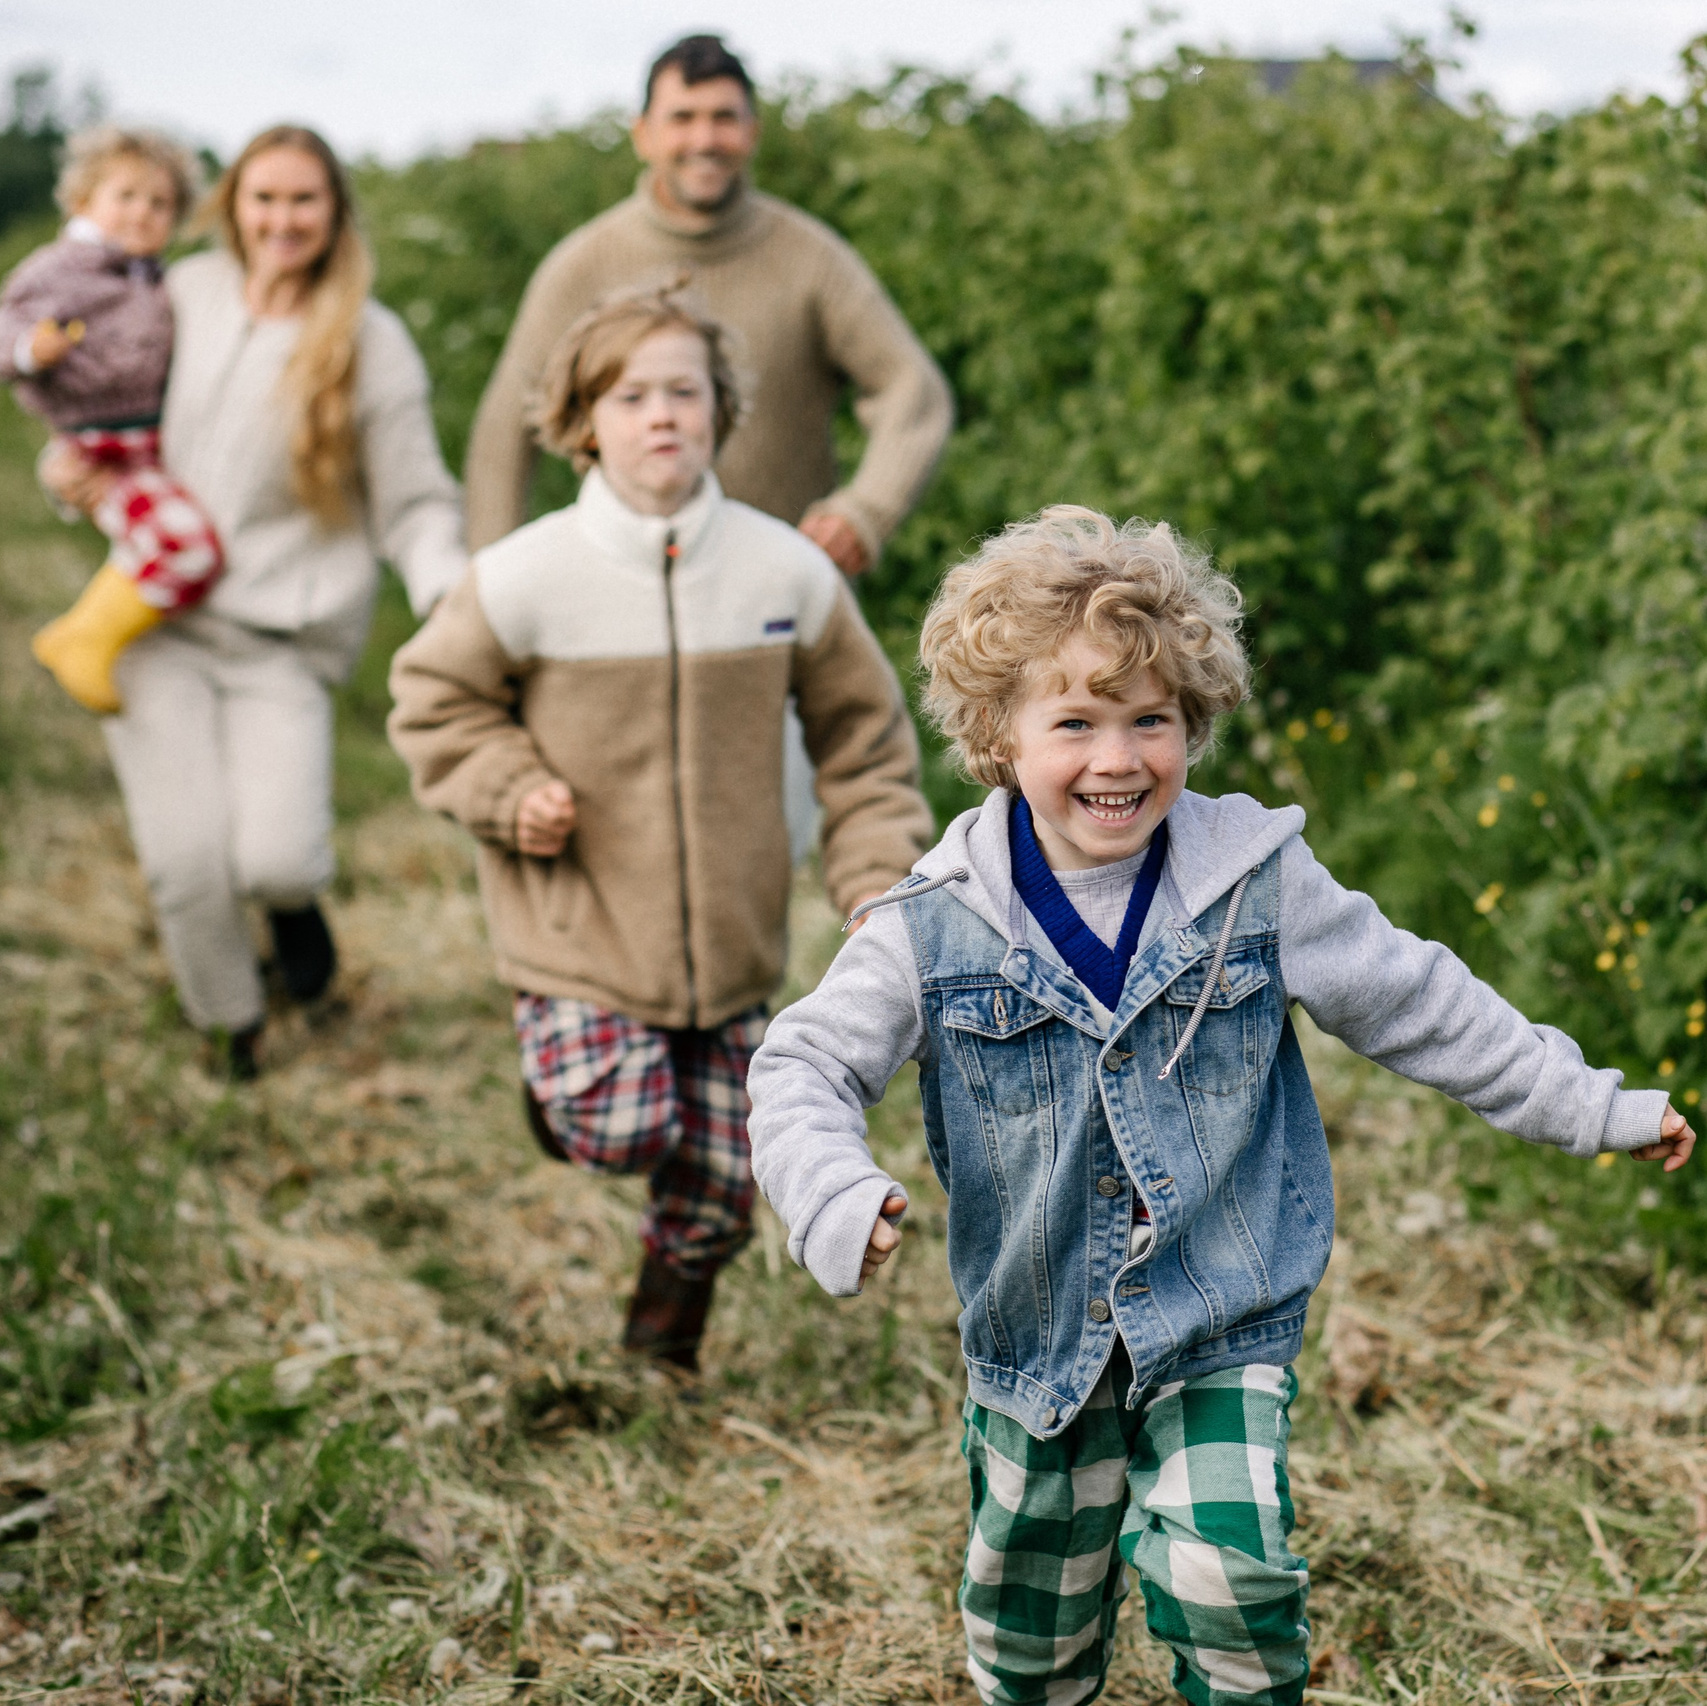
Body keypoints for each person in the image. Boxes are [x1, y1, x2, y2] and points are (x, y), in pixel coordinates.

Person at [747, 506, 1697, 1706]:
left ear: (1193, 720)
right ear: (997, 734)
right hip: (1036, 1333)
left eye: (1151, 719)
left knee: (1229, 1575)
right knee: (1033, 1628)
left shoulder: (1254, 882)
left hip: (1219, 1312)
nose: (1118, 757)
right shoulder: (935, 921)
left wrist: (1593, 1104)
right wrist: (832, 1189)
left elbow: (1423, 1001)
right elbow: (802, 1065)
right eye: (1075, 722)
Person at [388, 284, 933, 1373]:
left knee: (727, 1180)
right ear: (583, 421)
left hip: (732, 945)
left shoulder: (785, 571)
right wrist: (509, 788)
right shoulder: (525, 574)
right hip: (579, 930)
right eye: (631, 396)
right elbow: (432, 702)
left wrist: (876, 876)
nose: (662, 415)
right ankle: (561, 1102)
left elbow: (863, 738)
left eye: (684, 391)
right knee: (624, 1125)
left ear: (721, 410)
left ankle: (659, 1352)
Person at [45, 125, 466, 1080]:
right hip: (153, 622)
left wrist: (447, 587)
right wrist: (65, 473)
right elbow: (94, 408)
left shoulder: (370, 341)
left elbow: (414, 500)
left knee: (277, 858)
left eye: (303, 199)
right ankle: (232, 1027)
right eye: (262, 197)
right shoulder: (179, 293)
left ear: (335, 212)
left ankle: (290, 908)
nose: (281, 218)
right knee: (186, 862)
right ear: (233, 204)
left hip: (283, 637)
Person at [465, 33, 953, 574]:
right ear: (643, 134)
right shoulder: (582, 267)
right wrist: (493, 585)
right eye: (682, 118)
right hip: (624, 586)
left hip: (782, 586)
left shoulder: (812, 258)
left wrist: (864, 513)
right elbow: (503, 434)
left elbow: (913, 388)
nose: (704, 138)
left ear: (752, 132)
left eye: (724, 118)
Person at [3, 125, 223, 715]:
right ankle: (83, 638)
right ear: (83, 201)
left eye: (159, 204)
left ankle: (87, 637)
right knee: (186, 547)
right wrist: (28, 349)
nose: (141, 213)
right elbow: (6, 322)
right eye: (125, 196)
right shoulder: (61, 269)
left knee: (155, 540)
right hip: (97, 447)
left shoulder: (151, 275)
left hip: (144, 442)